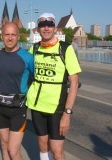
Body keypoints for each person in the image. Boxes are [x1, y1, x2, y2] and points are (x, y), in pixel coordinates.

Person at [26, 13, 82, 160]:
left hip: (57, 107)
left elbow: (74, 82)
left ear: (55, 28)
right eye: (42, 25)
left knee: (57, 152)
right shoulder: (35, 48)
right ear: (37, 30)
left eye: (49, 25)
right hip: (37, 105)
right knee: (43, 145)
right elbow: (22, 66)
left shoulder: (65, 48)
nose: (46, 28)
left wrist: (67, 114)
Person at [0, 22, 34, 160]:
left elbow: (35, 79)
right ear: (2, 36)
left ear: (18, 37)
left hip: (18, 110)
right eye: (7, 34)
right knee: (4, 145)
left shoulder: (27, 57)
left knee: (13, 150)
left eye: (13, 35)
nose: (10, 38)